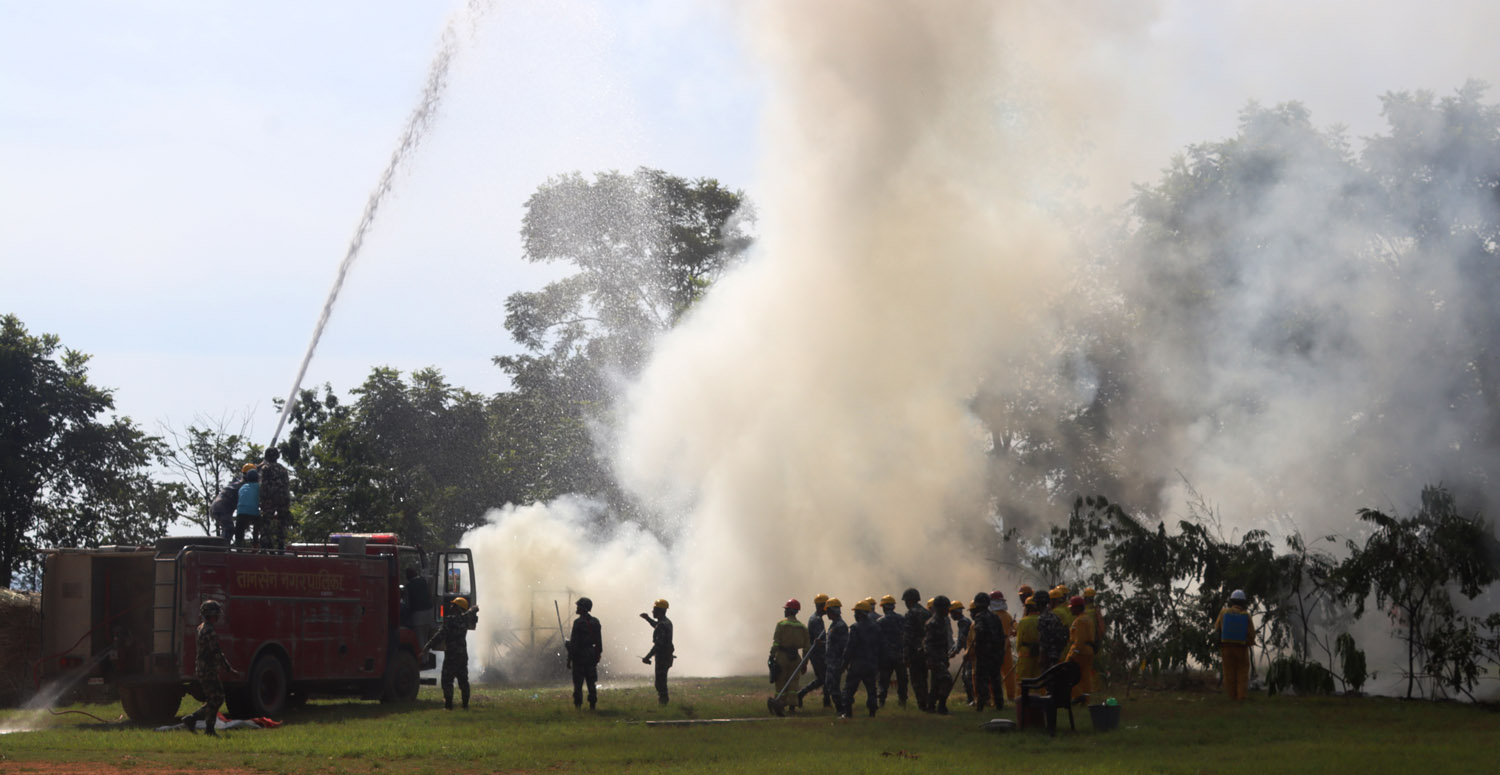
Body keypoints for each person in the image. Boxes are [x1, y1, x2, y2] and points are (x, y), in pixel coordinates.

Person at [180, 600, 241, 736]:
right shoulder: (209, 630)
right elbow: (216, 652)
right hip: (208, 670)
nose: (218, 617)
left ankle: (198, 722)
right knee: (217, 698)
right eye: (216, 614)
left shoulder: (201, 627)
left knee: (214, 698)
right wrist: (229, 669)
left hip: (203, 669)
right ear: (212, 614)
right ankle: (202, 725)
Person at [422, 596, 479, 710]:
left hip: (452, 654)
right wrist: (473, 608)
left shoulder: (450, 620)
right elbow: (472, 611)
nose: (451, 607)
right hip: (462, 654)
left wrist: (427, 646)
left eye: (454, 605)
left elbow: (440, 635)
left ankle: (448, 706)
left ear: (458, 608)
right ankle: (465, 705)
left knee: (447, 679)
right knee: (463, 680)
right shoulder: (465, 619)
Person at [840, 598, 884, 718]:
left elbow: (850, 648)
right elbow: (880, 647)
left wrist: (844, 664)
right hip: (872, 664)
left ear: (860, 613)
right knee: (871, 690)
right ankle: (872, 713)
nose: (854, 615)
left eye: (856, 612)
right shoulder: (877, 627)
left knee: (849, 689)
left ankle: (847, 713)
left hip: (858, 665)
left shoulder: (855, 628)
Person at [769, 598, 811, 711]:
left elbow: (776, 643)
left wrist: (771, 656)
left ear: (789, 611)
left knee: (781, 681)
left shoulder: (781, 624)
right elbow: (807, 647)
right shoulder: (802, 627)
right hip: (796, 658)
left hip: (782, 656)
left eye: (786, 609)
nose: (785, 611)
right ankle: (792, 706)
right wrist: (804, 663)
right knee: (794, 683)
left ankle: (779, 704)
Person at [1215, 589, 1254, 701]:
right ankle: (1241, 697)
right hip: (1241, 648)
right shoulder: (1246, 615)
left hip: (1226, 648)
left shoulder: (1224, 612)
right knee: (1242, 672)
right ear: (1243, 603)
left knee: (1229, 673)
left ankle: (1231, 696)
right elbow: (1251, 633)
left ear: (1231, 601)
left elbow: (1217, 628)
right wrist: (1249, 642)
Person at [969, 592, 1005, 712]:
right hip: (996, 653)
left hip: (984, 654)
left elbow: (980, 632)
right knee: (995, 679)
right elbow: (1002, 635)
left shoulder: (979, 617)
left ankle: (981, 704)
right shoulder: (995, 617)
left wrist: (976, 645)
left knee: (982, 679)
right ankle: (999, 704)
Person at [566, 597, 603, 709]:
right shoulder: (596, 622)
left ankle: (578, 705)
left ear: (582, 608)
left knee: (578, 683)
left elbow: (574, 643)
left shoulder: (578, 623)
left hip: (579, 656)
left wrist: (569, 656)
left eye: (578, 606)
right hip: (591, 654)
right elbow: (599, 642)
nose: (577, 608)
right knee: (591, 682)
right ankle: (592, 704)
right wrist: (597, 655)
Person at [795, 594, 831, 709]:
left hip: (819, 654)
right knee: (824, 678)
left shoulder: (817, 619)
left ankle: (825, 701)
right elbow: (819, 640)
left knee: (824, 679)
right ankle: (802, 694)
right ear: (822, 606)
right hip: (818, 655)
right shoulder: (815, 620)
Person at [901, 587, 932, 711]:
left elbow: (907, 636)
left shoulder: (910, 614)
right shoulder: (927, 613)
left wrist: (906, 655)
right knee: (924, 678)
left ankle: (922, 704)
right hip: (925, 651)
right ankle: (926, 701)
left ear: (909, 600)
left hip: (914, 652)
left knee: (916, 679)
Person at [923, 595, 953, 714]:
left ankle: (931, 707)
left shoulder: (942, 621)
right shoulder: (933, 623)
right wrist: (930, 658)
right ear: (939, 608)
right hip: (935, 658)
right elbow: (927, 643)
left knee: (936, 684)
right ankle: (941, 706)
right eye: (946, 608)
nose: (948, 610)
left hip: (941, 657)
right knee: (946, 680)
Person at [875, 594, 907, 708]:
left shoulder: (880, 621)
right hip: (900, 655)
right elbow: (905, 636)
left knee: (883, 681)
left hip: (885, 656)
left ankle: (881, 702)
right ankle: (902, 702)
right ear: (893, 607)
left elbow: (877, 640)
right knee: (902, 680)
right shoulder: (901, 619)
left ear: (883, 607)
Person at [640, 598, 674, 705]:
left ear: (660, 611)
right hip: (667, 656)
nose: (652, 611)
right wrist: (648, 619)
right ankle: (663, 703)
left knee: (660, 683)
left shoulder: (662, 624)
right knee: (661, 681)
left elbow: (658, 645)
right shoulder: (666, 622)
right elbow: (656, 625)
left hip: (663, 657)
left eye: (654, 609)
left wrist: (647, 657)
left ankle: (663, 703)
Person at [257, 446, 292, 551]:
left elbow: (264, 485)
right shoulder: (283, 469)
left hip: (270, 498)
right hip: (284, 499)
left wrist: (262, 500)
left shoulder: (266, 468)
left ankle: (264, 546)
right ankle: (281, 546)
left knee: (266, 522)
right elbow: (286, 485)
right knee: (281, 523)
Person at [1065, 595, 1095, 701]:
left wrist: (1073, 655)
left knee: (1067, 673)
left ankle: (1078, 696)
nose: (1070, 609)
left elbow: (1080, 640)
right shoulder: (1088, 619)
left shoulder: (1079, 621)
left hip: (1080, 652)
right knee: (1085, 676)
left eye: (1072, 607)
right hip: (1089, 651)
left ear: (1077, 607)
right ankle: (1086, 698)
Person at [823, 598, 849, 715]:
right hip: (831, 661)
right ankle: (841, 709)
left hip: (836, 662)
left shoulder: (840, 626)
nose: (827, 613)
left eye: (828, 611)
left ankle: (842, 709)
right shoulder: (834, 625)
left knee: (834, 687)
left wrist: (843, 662)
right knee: (830, 685)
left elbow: (844, 645)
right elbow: (833, 643)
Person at [992, 590, 1020, 701]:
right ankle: (1011, 696)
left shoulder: (991, 616)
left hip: (994, 649)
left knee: (994, 673)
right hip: (1006, 648)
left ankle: (994, 697)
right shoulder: (1007, 616)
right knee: (1009, 673)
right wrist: (1011, 633)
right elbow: (1017, 630)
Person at [947, 599, 973, 705]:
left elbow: (962, 640)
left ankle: (972, 698)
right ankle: (971, 698)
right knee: (966, 676)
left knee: (968, 676)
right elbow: (959, 641)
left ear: (956, 612)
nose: (951, 615)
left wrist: (955, 651)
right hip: (969, 651)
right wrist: (952, 650)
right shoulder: (964, 621)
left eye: (952, 613)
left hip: (971, 652)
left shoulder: (963, 622)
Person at [1037, 593, 1069, 672]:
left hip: (1048, 656)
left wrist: (1042, 657)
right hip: (1058, 654)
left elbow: (1043, 640)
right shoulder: (1054, 615)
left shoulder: (1043, 618)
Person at [208, 473, 243, 541]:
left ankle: (223, 546)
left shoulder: (237, 482)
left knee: (227, 528)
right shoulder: (241, 485)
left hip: (217, 507)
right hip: (221, 508)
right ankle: (223, 547)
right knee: (229, 528)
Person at [1015, 594, 1042, 681]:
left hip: (1025, 655)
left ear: (1028, 608)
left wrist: (1019, 651)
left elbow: (1019, 641)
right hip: (1039, 654)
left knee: (1023, 681)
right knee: (1038, 680)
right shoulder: (1042, 620)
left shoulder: (1023, 621)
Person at [233, 467, 261, 549]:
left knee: (239, 530)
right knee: (257, 527)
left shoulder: (242, 487)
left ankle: (238, 547)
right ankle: (255, 544)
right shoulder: (258, 487)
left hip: (241, 512)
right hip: (254, 512)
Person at [1084, 586, 1105, 691]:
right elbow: (1101, 628)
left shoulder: (1081, 611)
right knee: (1095, 667)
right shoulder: (1095, 611)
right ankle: (1095, 688)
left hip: (1082, 643)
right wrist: (1099, 640)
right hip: (1094, 642)